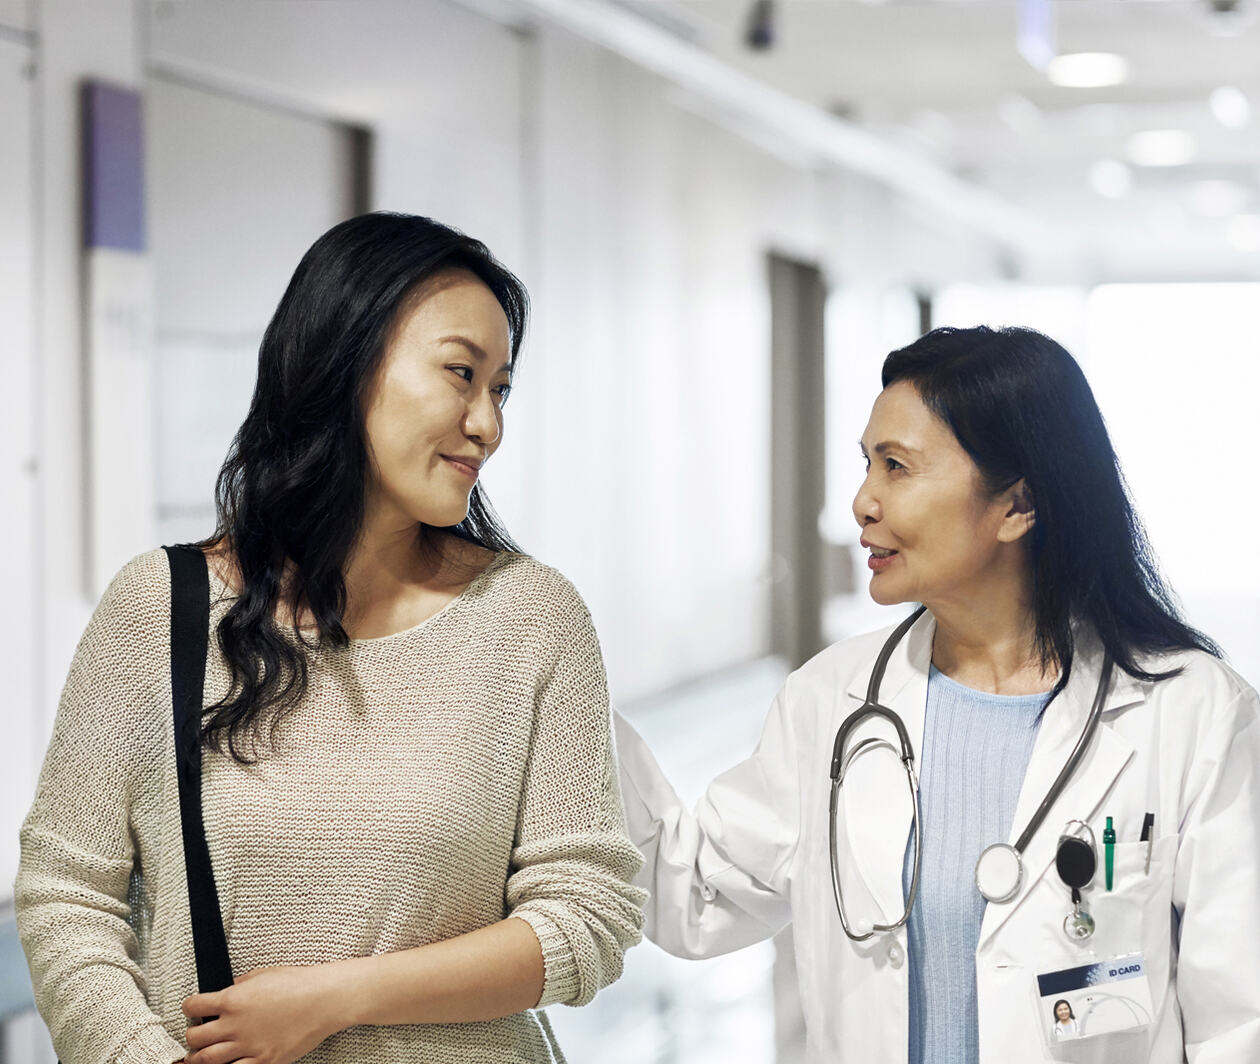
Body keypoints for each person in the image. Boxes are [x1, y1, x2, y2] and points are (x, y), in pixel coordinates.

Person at [16, 212, 645, 1064]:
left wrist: (332, 998)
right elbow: (67, 897)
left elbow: (587, 914)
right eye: (461, 374)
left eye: (500, 389)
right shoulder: (158, 609)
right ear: (343, 361)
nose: (487, 424)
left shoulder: (532, 617)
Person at [615, 326, 1260, 1063]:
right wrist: (560, 679)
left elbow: (1238, 1022)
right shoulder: (833, 702)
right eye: (867, 465)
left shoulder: (1193, 714)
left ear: (1017, 505)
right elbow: (692, 892)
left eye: (897, 467)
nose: (863, 501)